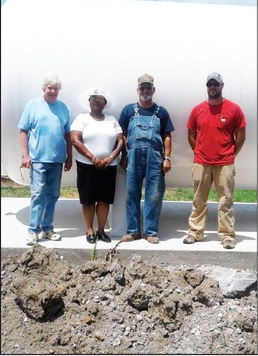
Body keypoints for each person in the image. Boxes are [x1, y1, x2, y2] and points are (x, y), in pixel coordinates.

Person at [183, 72, 246, 249]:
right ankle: (195, 232)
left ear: (222, 86)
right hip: (201, 163)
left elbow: (241, 136)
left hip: (225, 163)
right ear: (207, 87)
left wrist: (231, 155)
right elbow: (191, 135)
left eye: (215, 84)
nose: (212, 87)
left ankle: (227, 236)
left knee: (225, 200)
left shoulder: (234, 109)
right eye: (210, 84)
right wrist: (200, 152)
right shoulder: (197, 110)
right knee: (198, 199)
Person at [119, 73, 174, 244]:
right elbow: (122, 135)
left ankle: (150, 232)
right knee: (131, 194)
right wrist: (124, 155)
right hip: (133, 157)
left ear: (153, 90)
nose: (145, 90)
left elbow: (167, 136)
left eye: (148, 87)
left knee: (154, 195)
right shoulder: (128, 110)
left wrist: (167, 158)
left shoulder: (161, 112)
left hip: (155, 158)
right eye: (142, 87)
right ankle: (133, 231)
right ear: (137, 90)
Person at [18, 75, 72, 246]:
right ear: (44, 88)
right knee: (38, 194)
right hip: (38, 159)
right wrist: (25, 155)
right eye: (50, 87)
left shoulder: (63, 107)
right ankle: (33, 231)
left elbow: (67, 134)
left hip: (57, 159)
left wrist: (69, 156)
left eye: (56, 88)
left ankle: (47, 228)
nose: (53, 91)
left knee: (53, 195)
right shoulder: (33, 105)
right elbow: (23, 131)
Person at [70, 87, 123, 243]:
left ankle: (101, 230)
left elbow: (120, 140)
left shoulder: (112, 120)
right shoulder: (82, 118)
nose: (96, 101)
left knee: (104, 199)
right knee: (88, 199)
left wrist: (111, 157)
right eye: (93, 98)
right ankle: (89, 230)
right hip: (87, 165)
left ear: (105, 103)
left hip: (108, 165)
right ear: (89, 102)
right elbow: (75, 139)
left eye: (100, 99)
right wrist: (92, 158)